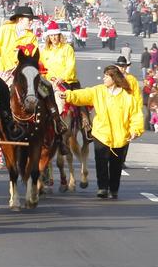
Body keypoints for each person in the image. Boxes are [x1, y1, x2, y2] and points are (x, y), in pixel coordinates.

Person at [60, 65, 143, 199]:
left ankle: (114, 189)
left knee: (116, 165)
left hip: (120, 135)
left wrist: (135, 129)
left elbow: (136, 115)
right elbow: (83, 94)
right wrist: (68, 95)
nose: (103, 78)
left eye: (106, 76)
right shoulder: (98, 91)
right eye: (104, 76)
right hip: (101, 133)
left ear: (114, 78)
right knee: (101, 161)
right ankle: (102, 187)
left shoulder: (128, 96)